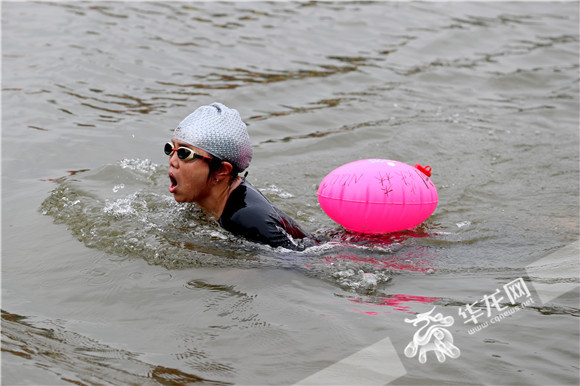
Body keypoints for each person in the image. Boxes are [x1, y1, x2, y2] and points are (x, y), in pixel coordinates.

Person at [165, 102, 312, 250]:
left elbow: (301, 263)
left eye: (185, 153)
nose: (172, 160)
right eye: (170, 148)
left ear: (221, 170)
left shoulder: (248, 220)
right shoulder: (203, 198)